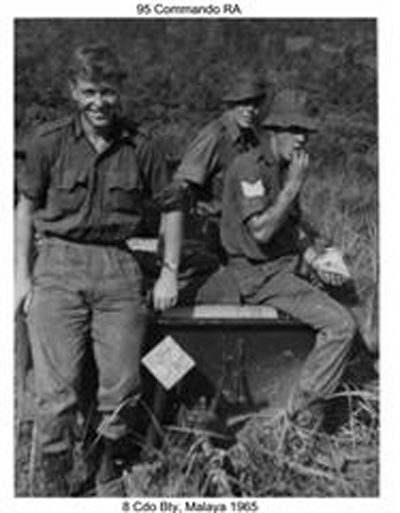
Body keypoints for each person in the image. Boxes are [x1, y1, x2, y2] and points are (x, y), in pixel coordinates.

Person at [15, 43, 184, 497]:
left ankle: (107, 474)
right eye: (90, 91)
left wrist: (168, 270)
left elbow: (172, 207)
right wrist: (19, 276)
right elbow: (24, 207)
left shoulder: (143, 147)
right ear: (74, 91)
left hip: (118, 266)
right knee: (56, 392)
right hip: (58, 262)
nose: (99, 103)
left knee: (122, 386)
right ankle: (53, 486)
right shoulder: (48, 142)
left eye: (108, 92)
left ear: (120, 93)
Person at [220, 88, 357, 429]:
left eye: (305, 133)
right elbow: (263, 232)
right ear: (273, 130)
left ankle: (350, 389)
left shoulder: (283, 166)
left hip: (283, 265)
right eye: (294, 130)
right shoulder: (249, 168)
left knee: (355, 297)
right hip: (258, 274)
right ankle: (304, 415)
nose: (301, 140)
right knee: (341, 326)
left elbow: (290, 228)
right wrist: (293, 186)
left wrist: (315, 259)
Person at [173, 71, 266, 302]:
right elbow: (182, 185)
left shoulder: (250, 139)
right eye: (243, 103)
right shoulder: (214, 136)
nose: (249, 110)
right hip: (208, 231)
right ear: (232, 104)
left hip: (236, 231)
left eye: (254, 104)